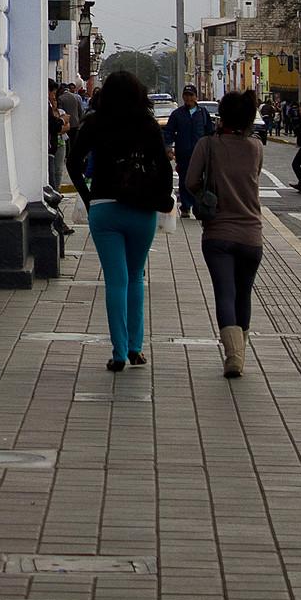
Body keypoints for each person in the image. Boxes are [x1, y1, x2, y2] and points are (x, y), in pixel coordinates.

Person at [66, 69, 174, 372]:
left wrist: (89, 199)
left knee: (116, 280)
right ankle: (136, 347)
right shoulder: (148, 126)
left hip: (105, 209)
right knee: (136, 275)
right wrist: (163, 199)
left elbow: (73, 162)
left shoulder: (95, 123)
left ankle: (118, 351)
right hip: (141, 209)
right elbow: (164, 167)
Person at [186, 90, 263, 378]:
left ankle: (234, 357)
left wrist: (207, 193)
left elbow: (191, 181)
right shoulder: (256, 147)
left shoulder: (208, 145)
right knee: (244, 294)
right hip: (252, 234)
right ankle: (239, 353)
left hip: (218, 232)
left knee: (225, 294)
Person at [164, 83, 213, 218]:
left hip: (200, 154)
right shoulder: (177, 114)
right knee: (184, 180)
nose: (188, 98)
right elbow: (168, 132)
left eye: (191, 95)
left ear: (196, 97)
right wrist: (168, 148)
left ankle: (198, 207)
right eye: (186, 95)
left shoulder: (202, 113)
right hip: (183, 153)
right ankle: (185, 207)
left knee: (200, 181)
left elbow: (210, 132)